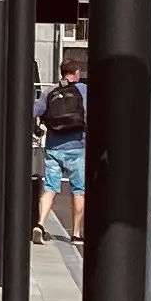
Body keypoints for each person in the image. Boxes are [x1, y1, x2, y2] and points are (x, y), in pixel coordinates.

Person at [39, 68, 89, 242]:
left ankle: (40, 224)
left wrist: (37, 129)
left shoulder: (50, 91)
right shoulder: (83, 90)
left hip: (53, 147)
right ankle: (75, 233)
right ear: (76, 72)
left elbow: (34, 112)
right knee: (78, 190)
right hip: (77, 147)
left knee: (50, 188)